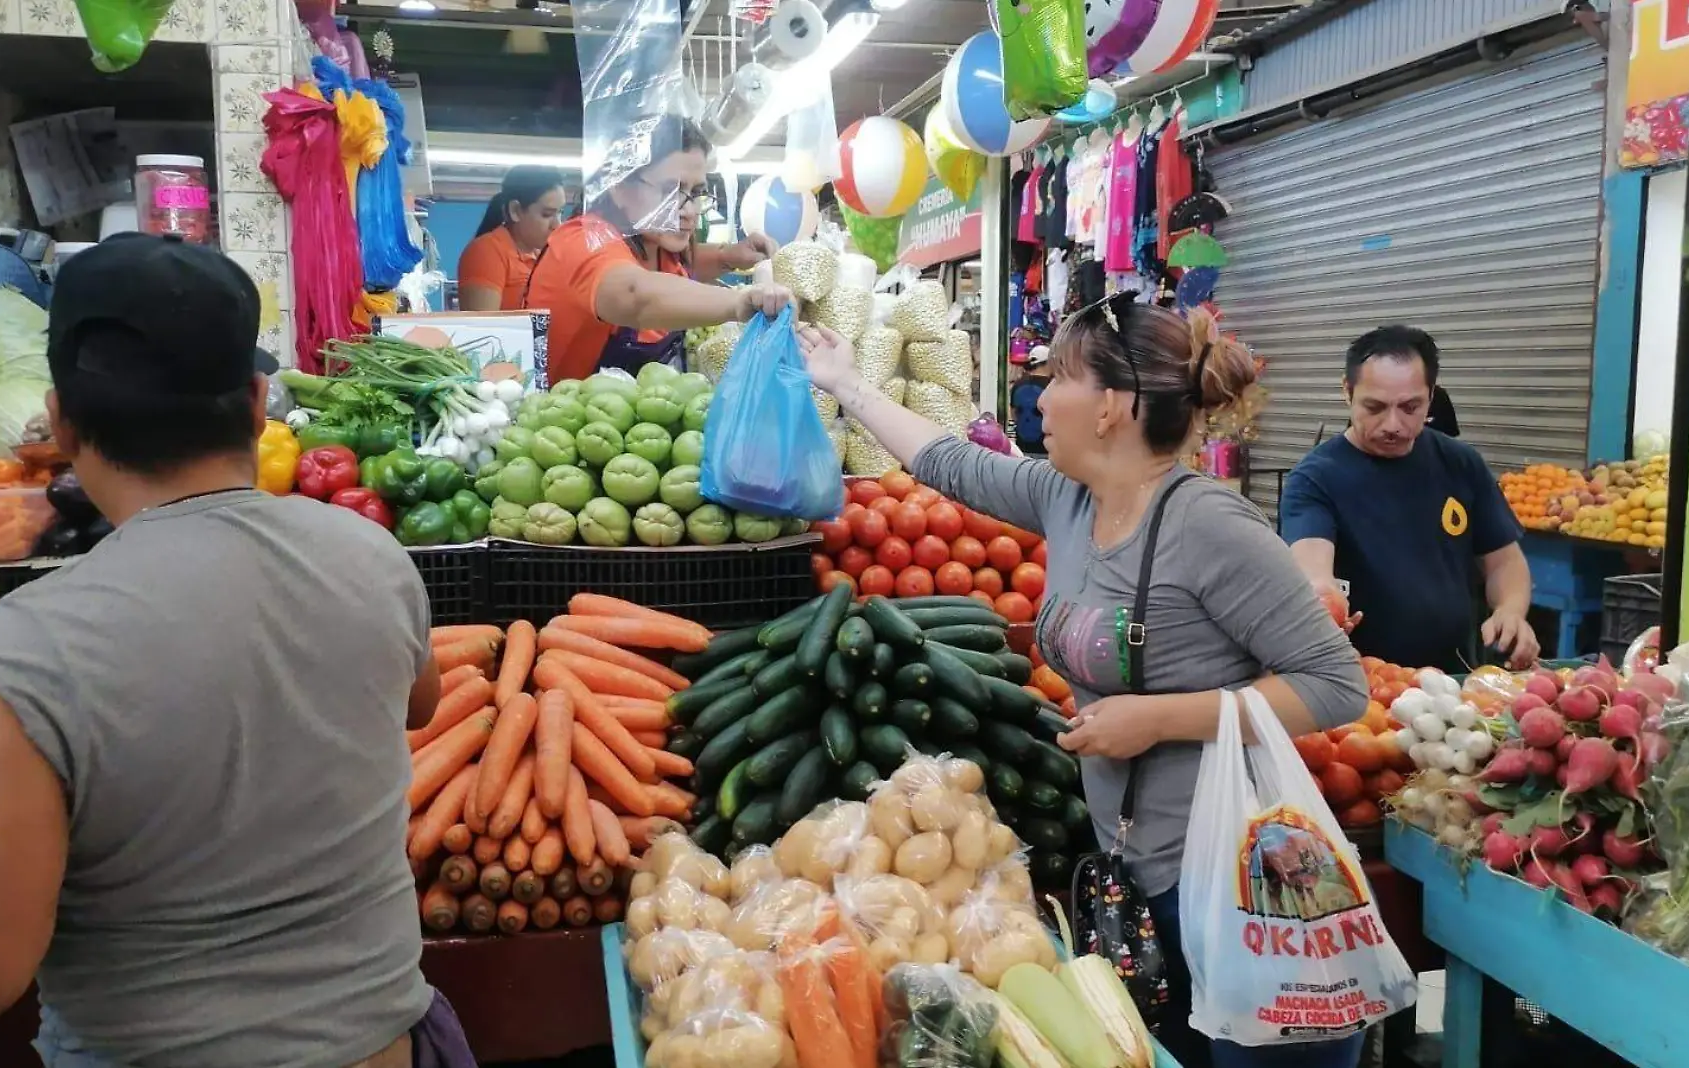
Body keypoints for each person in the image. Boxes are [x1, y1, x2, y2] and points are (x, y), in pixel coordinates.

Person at [0, 234, 473, 1068]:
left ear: (59, 421)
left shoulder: (29, 649)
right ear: (254, 402)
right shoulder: (373, 557)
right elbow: (418, 705)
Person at [798, 294, 1368, 1068]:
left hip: (1236, 886)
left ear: (1111, 408)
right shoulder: (1069, 498)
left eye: (1057, 374)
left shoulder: (1210, 526)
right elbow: (950, 463)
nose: (1038, 392)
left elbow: (1336, 685)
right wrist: (846, 384)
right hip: (1134, 870)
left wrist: (1159, 718)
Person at [1280, 325, 1537, 673]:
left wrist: (1510, 609)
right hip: (1366, 686)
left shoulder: (1460, 462)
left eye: (1410, 407)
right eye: (1375, 407)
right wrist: (1322, 595)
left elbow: (1504, 561)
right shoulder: (1315, 478)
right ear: (1347, 391)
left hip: (1455, 677)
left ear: (1431, 395)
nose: (1393, 424)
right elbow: (1311, 563)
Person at [527, 117, 791, 381]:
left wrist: (727, 256)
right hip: (565, 416)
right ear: (620, 187)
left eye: (696, 192)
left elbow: (676, 268)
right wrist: (739, 302)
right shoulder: (584, 239)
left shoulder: (656, 243)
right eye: (670, 191)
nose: (689, 211)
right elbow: (635, 294)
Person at [457, 165, 567, 312]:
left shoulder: (542, 256)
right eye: (547, 214)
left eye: (560, 213)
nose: (557, 225)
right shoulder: (487, 252)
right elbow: (483, 331)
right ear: (515, 210)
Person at [1010, 345, 1051, 455]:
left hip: (1022, 447)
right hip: (1045, 450)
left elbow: (1013, 414)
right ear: (1048, 363)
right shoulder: (1052, 386)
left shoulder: (1018, 384)